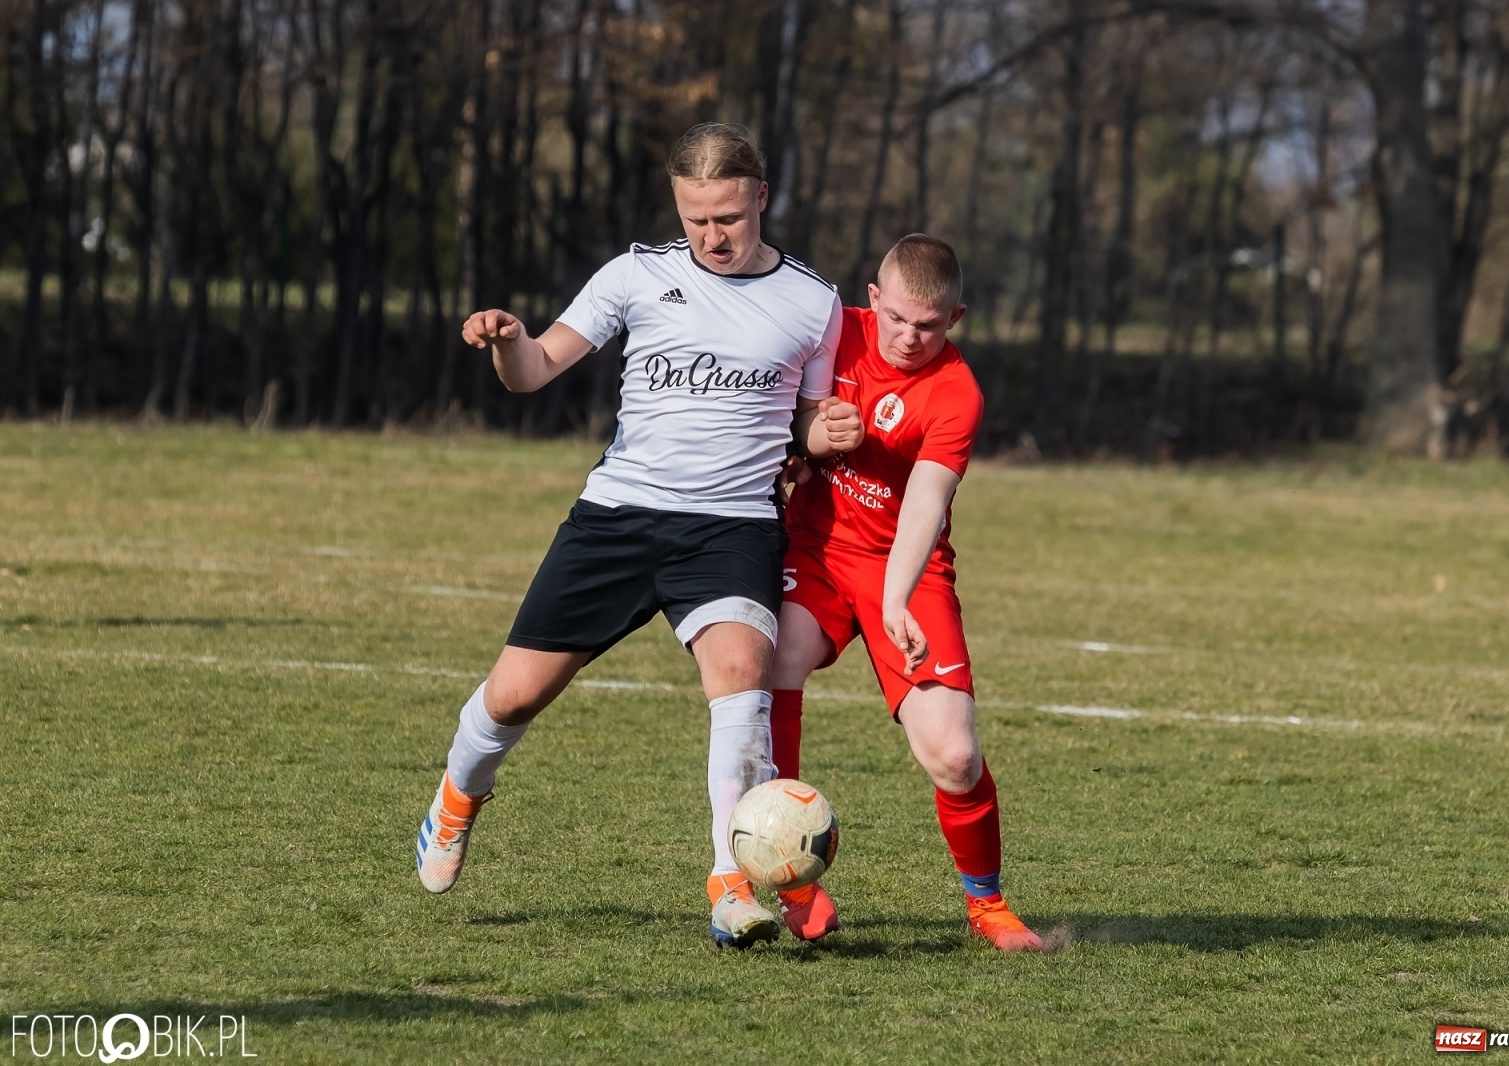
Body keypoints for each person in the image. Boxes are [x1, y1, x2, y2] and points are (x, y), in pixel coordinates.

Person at [413, 123, 865, 951]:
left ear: (761, 196)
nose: (712, 236)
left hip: (730, 528)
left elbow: (804, 418)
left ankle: (732, 885)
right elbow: (537, 368)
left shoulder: (812, 301)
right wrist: (509, 343)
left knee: (740, 677)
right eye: (695, 218)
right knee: (513, 696)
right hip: (618, 519)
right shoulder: (635, 275)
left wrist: (821, 427)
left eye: (727, 216)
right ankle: (455, 799)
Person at [770, 234, 1043, 952]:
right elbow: (773, 407)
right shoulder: (833, 332)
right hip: (816, 550)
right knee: (775, 660)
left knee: (954, 756)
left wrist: (894, 602)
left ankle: (986, 905)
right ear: (873, 300)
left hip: (904, 566)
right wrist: (809, 435)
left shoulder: (957, 393)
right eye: (896, 319)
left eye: (928, 325)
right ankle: (791, 878)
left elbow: (926, 502)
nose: (908, 337)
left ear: (954, 319)